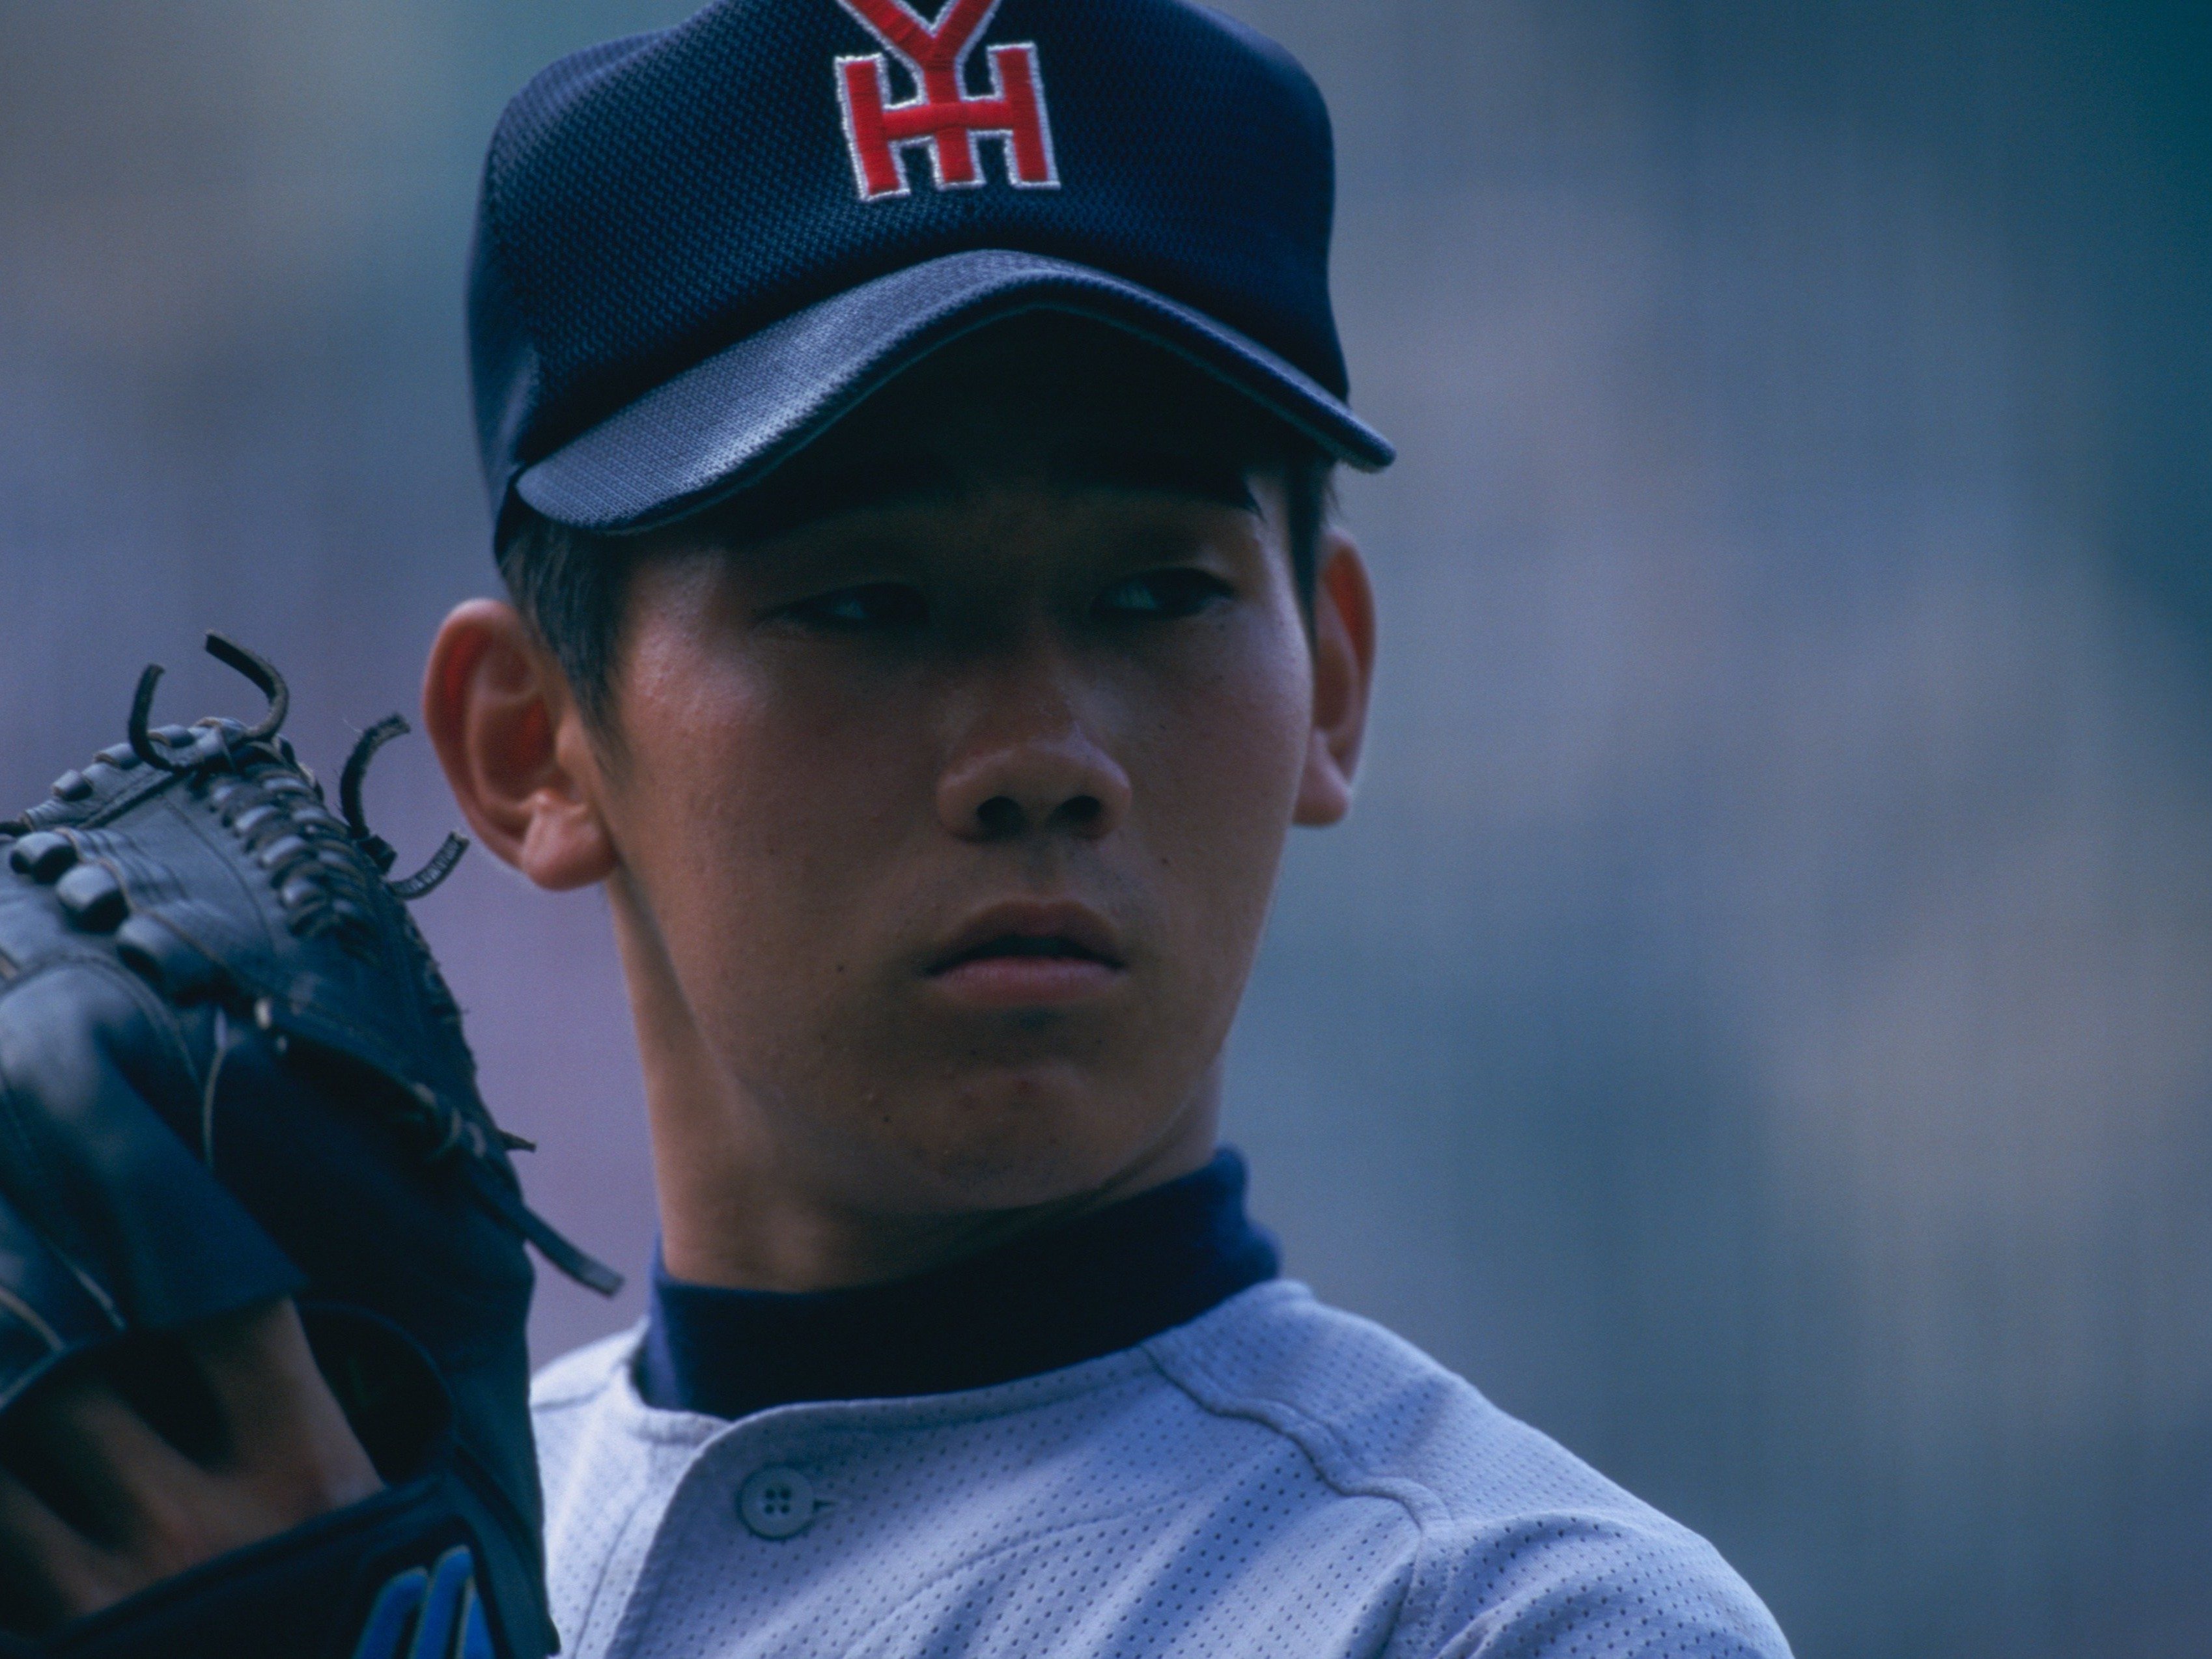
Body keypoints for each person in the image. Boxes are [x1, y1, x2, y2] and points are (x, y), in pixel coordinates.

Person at [0, 1, 1794, 1654]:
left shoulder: (1507, 1613)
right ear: (532, 737)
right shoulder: (267, 1532)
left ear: (1329, 679)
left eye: (1156, 590)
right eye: (866, 602)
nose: (1039, 750)